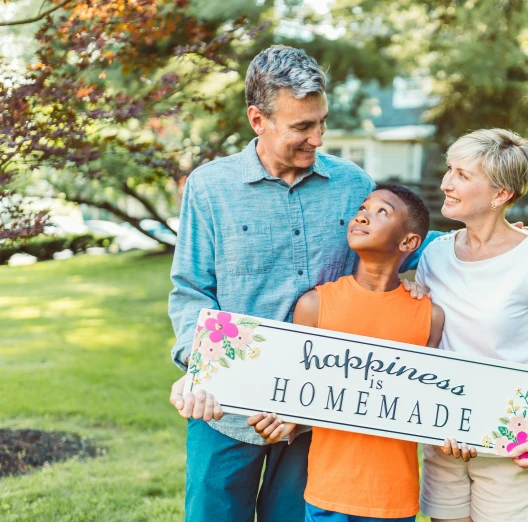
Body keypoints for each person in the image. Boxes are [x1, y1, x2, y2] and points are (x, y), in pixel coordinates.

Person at [166, 45, 431, 522]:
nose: (318, 138)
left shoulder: (352, 184)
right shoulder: (210, 188)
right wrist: (199, 366)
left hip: (316, 415)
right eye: (302, 127)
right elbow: (190, 290)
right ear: (257, 119)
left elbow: (400, 240)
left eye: (321, 122)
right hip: (227, 410)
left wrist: (490, 239)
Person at [248, 183, 444, 522]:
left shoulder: (429, 316)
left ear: (408, 243)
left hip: (394, 496)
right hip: (328, 492)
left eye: (382, 211)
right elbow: (297, 390)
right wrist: (284, 420)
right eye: (363, 208)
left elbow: (429, 403)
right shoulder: (314, 305)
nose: (364, 216)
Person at [414, 129, 528, 522]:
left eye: (462, 175)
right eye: (449, 170)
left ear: (500, 194)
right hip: (445, 439)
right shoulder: (434, 254)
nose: (446, 183)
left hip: (514, 446)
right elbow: (421, 336)